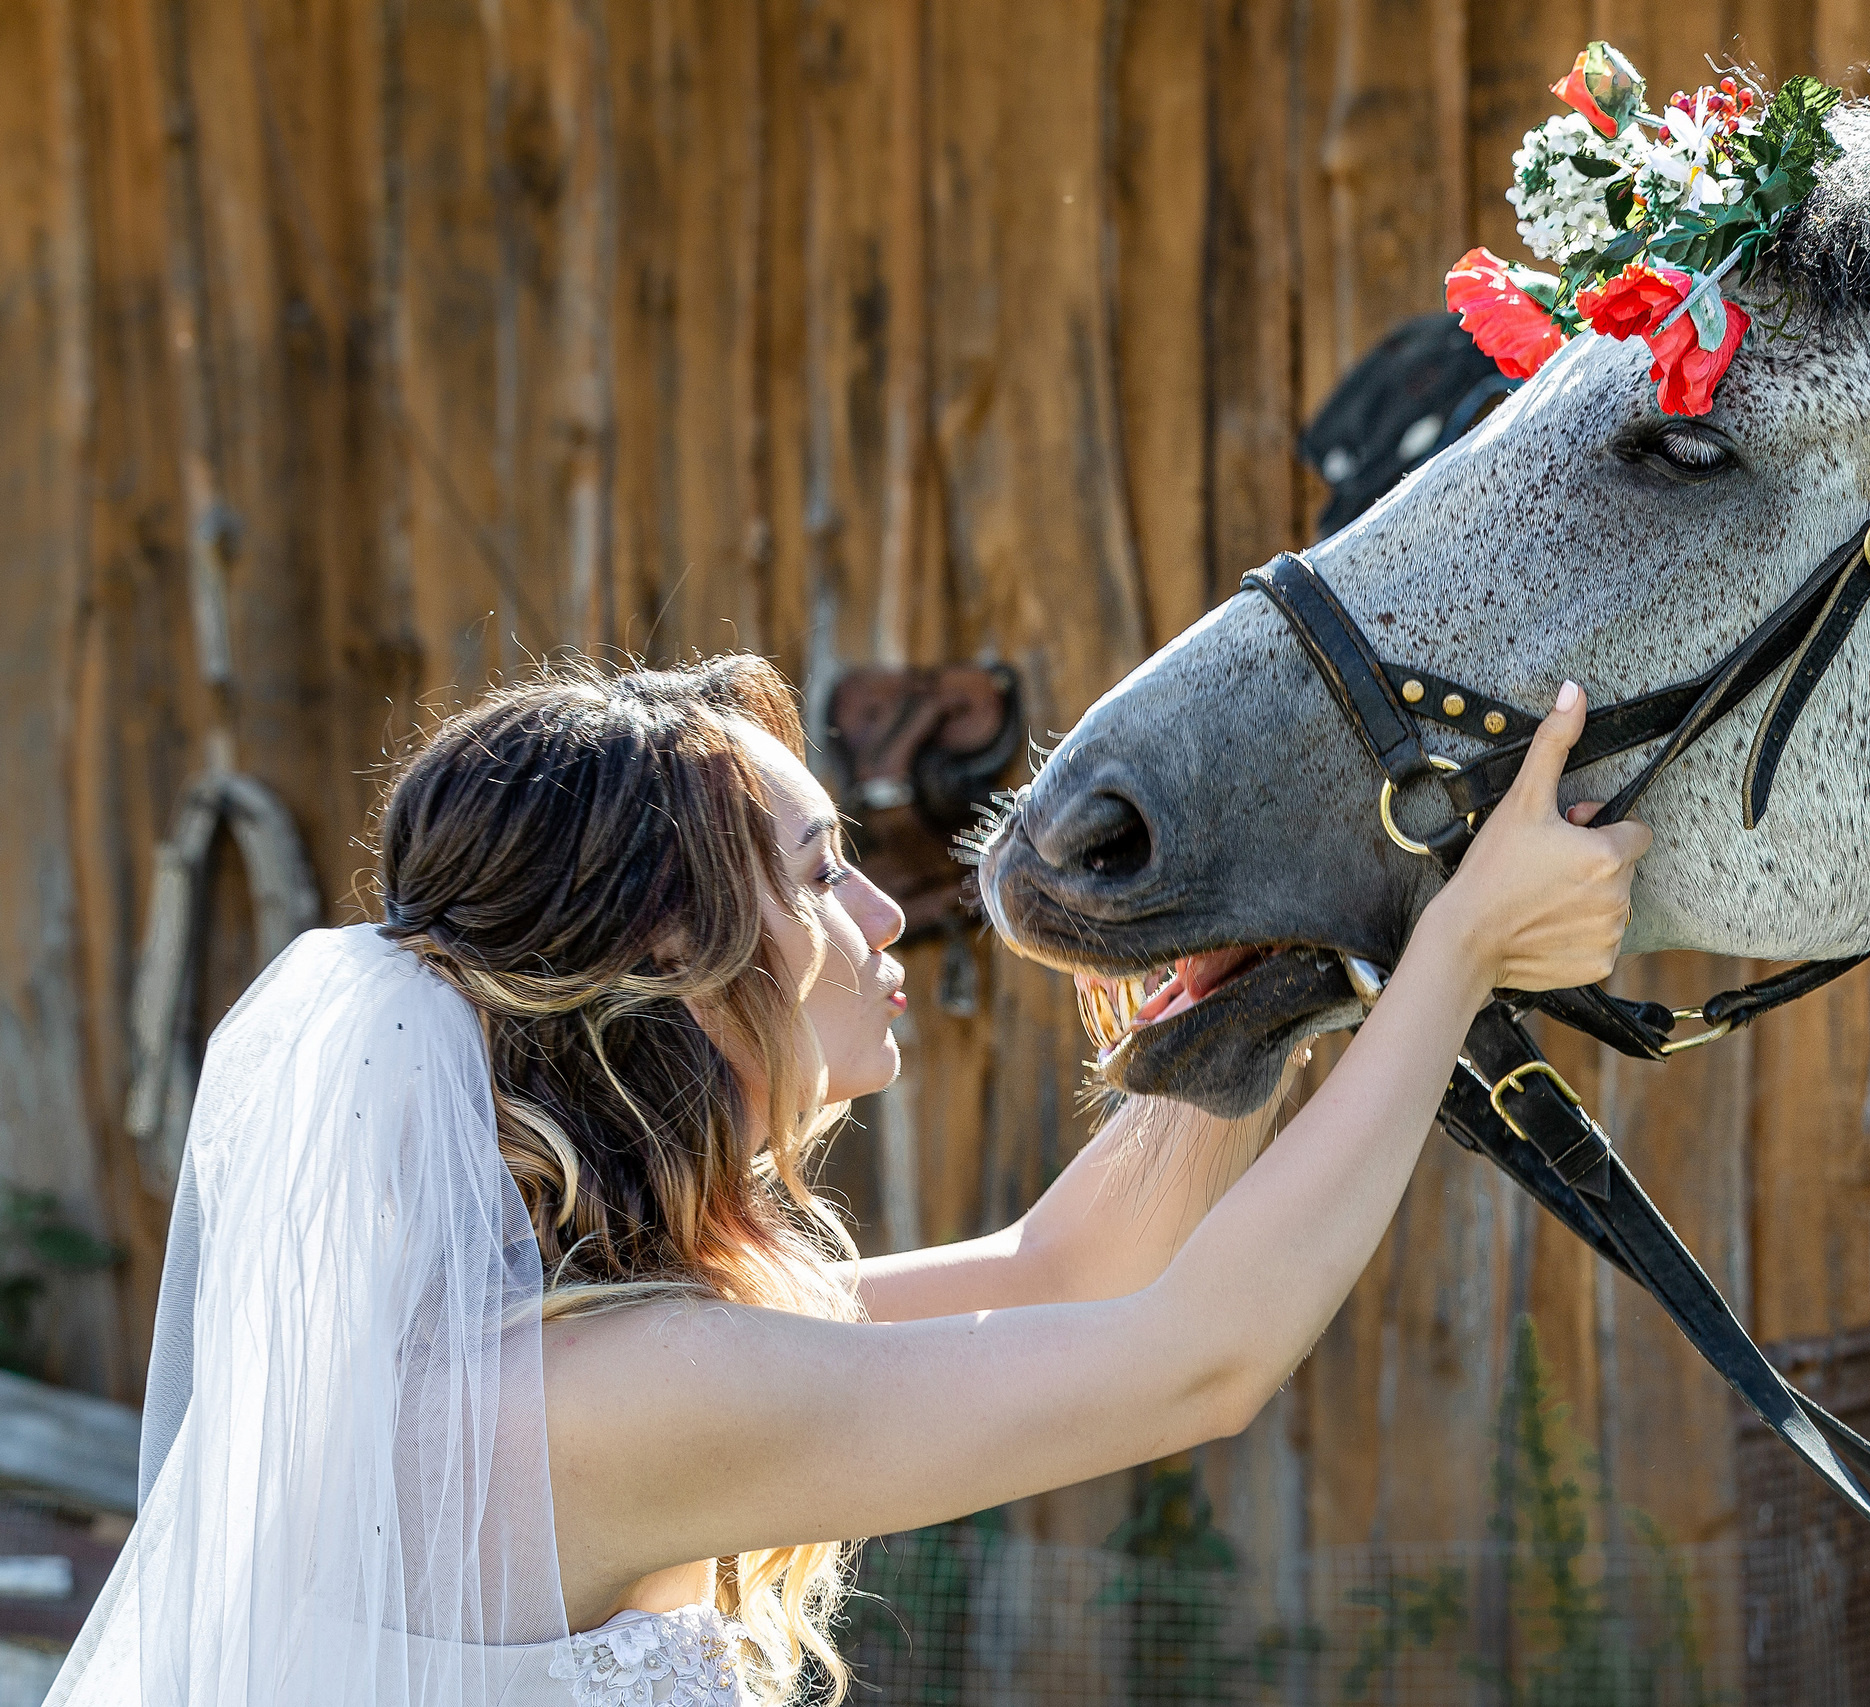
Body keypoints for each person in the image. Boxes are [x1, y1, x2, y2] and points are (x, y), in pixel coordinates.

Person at [45, 653, 1646, 1707]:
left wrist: (1278, 966)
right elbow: (1192, 1365)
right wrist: (1455, 958)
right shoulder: (620, 1389)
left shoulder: (575, 1350)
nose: (885, 916)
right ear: (672, 949)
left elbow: (1053, 1272)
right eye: (820, 873)